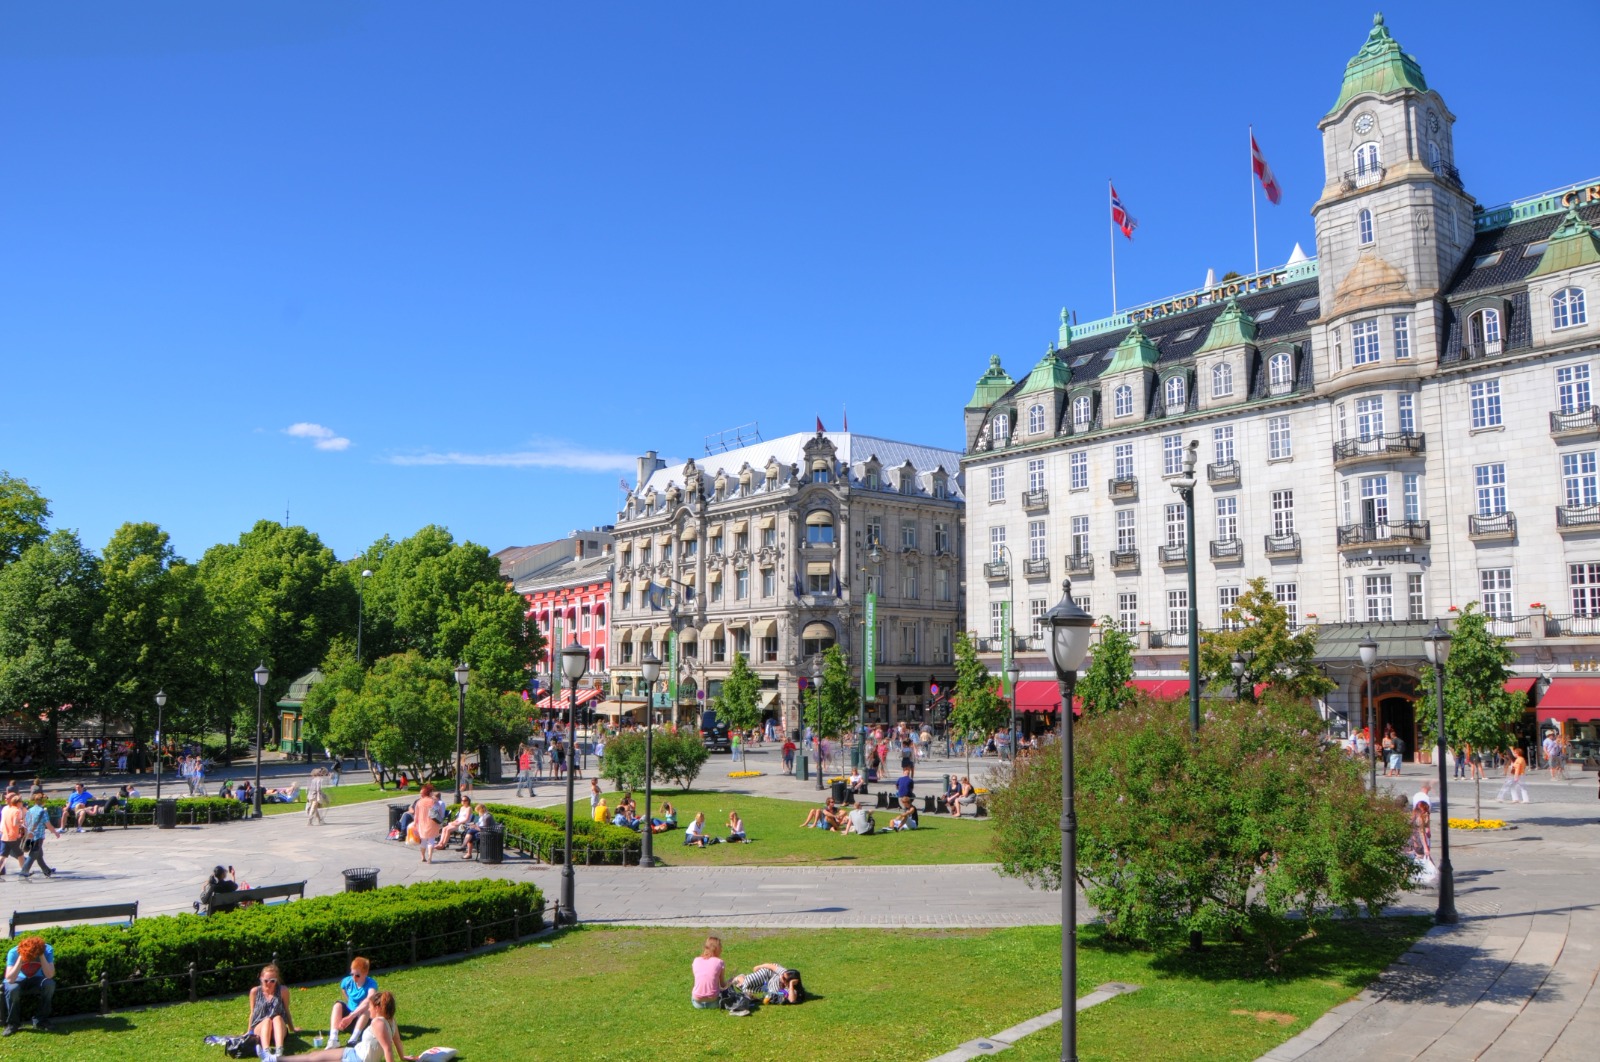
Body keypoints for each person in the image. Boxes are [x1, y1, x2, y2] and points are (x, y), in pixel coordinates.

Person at [261, 989, 404, 1062]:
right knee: (314, 1056)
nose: (370, 1009)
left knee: (315, 1060)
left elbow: (388, 1049)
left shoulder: (378, 1022)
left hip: (357, 1060)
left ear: (378, 1008)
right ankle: (273, 1059)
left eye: (371, 1007)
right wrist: (403, 1057)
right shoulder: (391, 1021)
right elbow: (397, 1042)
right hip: (354, 1051)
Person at [3, 936, 55, 1035]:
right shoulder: (13, 952)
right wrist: (21, 957)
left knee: (49, 984)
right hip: (16, 979)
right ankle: (13, 1024)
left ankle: (41, 1020)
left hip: (36, 979)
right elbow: (10, 979)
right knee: (13, 989)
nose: (31, 959)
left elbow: (50, 975)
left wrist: (41, 955)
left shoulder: (47, 950)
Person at [246, 963, 296, 1058]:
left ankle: (279, 1050)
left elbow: (286, 1010)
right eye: (266, 981)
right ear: (261, 979)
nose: (269, 983)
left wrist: (292, 1028)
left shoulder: (282, 990)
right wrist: (249, 1031)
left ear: (276, 980)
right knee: (267, 1020)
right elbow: (252, 1012)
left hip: (278, 1027)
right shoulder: (255, 992)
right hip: (261, 1027)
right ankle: (266, 1051)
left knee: (277, 1018)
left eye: (272, 981)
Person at [328, 956, 378, 1049]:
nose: (354, 978)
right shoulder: (347, 981)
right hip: (348, 1020)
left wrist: (351, 1016)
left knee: (367, 1010)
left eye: (357, 975)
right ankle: (333, 1039)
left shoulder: (371, 984)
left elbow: (370, 999)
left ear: (365, 973)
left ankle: (353, 1040)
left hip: (363, 1021)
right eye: (352, 974)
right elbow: (343, 989)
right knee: (337, 1005)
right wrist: (349, 1003)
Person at [19, 793, 60, 878]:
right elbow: (48, 825)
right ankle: (24, 871)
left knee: (39, 855)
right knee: (34, 853)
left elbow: (25, 823)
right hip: (38, 836)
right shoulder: (42, 811)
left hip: (30, 835)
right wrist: (55, 832)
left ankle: (47, 871)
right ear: (42, 801)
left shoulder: (30, 810)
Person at [732, 964, 803, 1005]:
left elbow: (792, 1000)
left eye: (784, 978)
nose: (781, 977)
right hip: (768, 974)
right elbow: (771, 966)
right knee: (748, 982)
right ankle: (740, 980)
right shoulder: (783, 972)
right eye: (782, 975)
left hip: (766, 987)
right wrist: (759, 966)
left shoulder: (791, 989)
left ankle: (740, 979)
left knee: (748, 988)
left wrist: (791, 984)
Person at [690, 936, 726, 1009]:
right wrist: (732, 980)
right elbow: (722, 985)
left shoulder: (696, 961)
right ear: (717, 949)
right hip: (714, 1002)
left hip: (697, 1003)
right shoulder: (719, 962)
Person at [413, 785, 442, 863]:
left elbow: (416, 814)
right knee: (431, 840)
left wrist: (415, 823)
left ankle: (423, 857)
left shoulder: (419, 802)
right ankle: (430, 857)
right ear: (430, 792)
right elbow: (439, 812)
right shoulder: (434, 801)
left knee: (423, 841)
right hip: (432, 822)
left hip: (422, 823)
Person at [0, 794, 25, 878]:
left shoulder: (6, 810)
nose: (22, 803)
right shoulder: (16, 811)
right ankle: (24, 871)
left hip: (4, 835)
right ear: (18, 803)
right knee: (20, 855)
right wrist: (21, 822)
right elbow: (15, 823)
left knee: (3, 856)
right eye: (21, 802)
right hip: (13, 836)